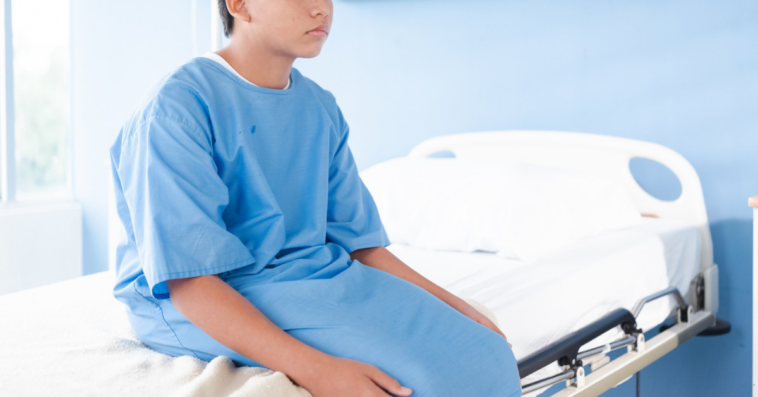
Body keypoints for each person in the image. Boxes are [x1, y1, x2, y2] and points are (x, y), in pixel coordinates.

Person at [109, 0, 522, 396]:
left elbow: (363, 249)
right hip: (200, 293)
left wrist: (460, 309)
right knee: (415, 380)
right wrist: (315, 368)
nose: (322, 8)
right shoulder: (177, 109)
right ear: (239, 4)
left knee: (484, 353)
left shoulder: (320, 107)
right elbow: (189, 281)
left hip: (309, 277)